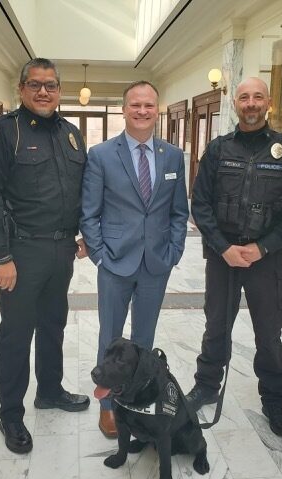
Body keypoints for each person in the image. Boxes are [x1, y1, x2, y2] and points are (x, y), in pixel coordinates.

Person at [0, 58, 90, 454]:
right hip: (21, 251)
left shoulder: (72, 135)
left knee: (54, 324)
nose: (43, 91)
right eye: (35, 84)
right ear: (21, 89)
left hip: (61, 250)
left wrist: (84, 234)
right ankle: (11, 415)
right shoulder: (3, 133)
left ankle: (50, 391)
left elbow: (80, 191)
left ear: (60, 90)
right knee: (17, 334)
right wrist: (1, 255)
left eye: (51, 85)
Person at [187, 77, 282, 437]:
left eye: (257, 97)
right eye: (244, 97)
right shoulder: (217, 150)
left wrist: (263, 247)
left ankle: (273, 398)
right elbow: (201, 203)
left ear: (268, 103)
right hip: (223, 256)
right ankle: (207, 384)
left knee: (269, 332)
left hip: (266, 259)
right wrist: (223, 248)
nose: (251, 103)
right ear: (237, 104)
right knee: (216, 327)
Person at [80, 81, 189, 438]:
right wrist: (99, 254)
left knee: (144, 340)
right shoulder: (101, 155)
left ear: (157, 109)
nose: (142, 111)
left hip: (156, 263)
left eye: (149, 106)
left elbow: (178, 211)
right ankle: (108, 407)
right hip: (115, 263)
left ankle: (139, 401)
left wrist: (173, 251)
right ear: (123, 109)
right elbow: (89, 212)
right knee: (111, 336)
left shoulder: (172, 155)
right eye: (135, 105)